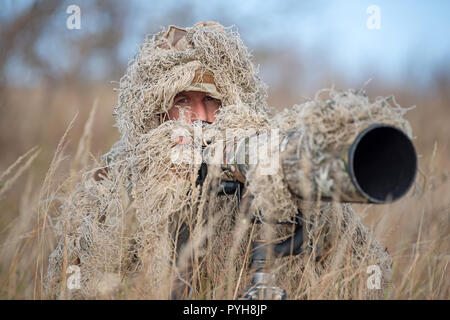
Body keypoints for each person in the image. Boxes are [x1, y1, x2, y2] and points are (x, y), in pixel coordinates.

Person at [45, 22, 402, 299]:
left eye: (212, 101)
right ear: (156, 112)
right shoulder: (116, 177)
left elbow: (367, 272)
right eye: (182, 100)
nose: (201, 116)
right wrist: (153, 198)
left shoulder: (259, 152)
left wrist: (294, 199)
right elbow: (75, 281)